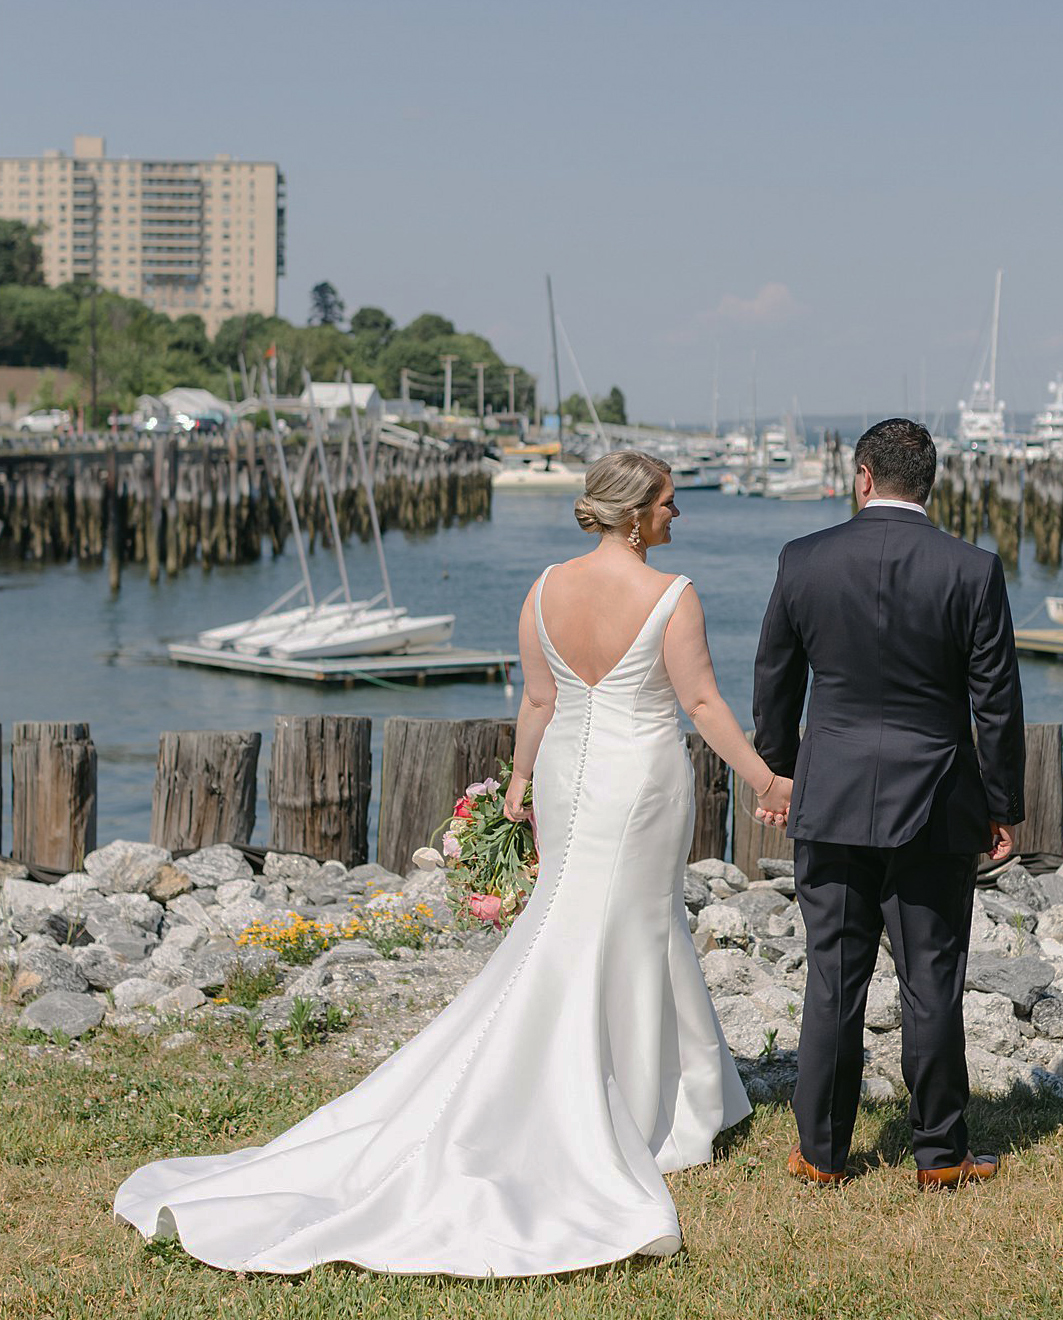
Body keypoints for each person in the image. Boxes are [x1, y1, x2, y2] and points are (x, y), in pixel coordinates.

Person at [113, 449, 789, 1277]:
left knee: (592, 921)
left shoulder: (543, 588)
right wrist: (763, 778)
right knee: (628, 924)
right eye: (668, 504)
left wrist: (518, 785)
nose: (676, 517)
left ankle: (677, 1088)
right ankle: (629, 1101)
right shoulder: (672, 595)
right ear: (636, 511)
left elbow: (537, 700)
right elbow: (700, 702)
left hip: (572, 774)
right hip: (641, 778)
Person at [752, 418, 1026, 1190]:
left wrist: (779, 772)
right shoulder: (971, 568)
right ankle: (940, 1155)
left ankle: (820, 1152)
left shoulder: (804, 558)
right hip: (936, 799)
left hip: (831, 790)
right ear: (926, 483)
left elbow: (775, 679)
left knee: (832, 977)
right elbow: (995, 701)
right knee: (930, 977)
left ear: (863, 476)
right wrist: (1002, 802)